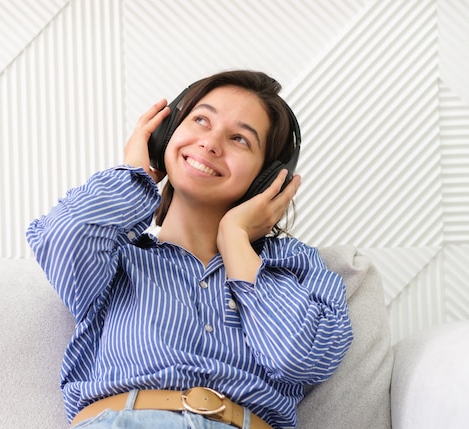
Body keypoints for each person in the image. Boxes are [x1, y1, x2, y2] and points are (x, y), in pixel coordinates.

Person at [26, 70, 353, 429]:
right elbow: (60, 236)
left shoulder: (297, 267)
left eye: (240, 139)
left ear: (267, 178)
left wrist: (235, 239)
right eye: (200, 120)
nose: (211, 143)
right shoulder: (117, 255)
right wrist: (135, 174)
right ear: (167, 133)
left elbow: (299, 358)